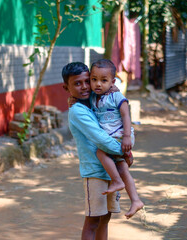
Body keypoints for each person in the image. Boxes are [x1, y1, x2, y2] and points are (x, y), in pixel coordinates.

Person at [62, 62, 125, 240]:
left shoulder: (94, 101)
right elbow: (101, 139)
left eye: (86, 81)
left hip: (110, 171)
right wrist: (124, 150)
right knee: (93, 221)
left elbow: (118, 117)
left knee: (105, 218)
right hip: (95, 172)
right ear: (66, 87)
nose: (84, 87)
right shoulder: (77, 111)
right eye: (77, 83)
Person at [89, 59, 144, 219]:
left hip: (121, 135)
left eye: (103, 80)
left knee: (100, 152)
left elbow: (126, 114)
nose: (98, 84)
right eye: (94, 79)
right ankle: (135, 200)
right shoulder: (94, 97)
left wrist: (127, 136)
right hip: (112, 138)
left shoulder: (116, 96)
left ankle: (116, 181)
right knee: (122, 167)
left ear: (112, 82)